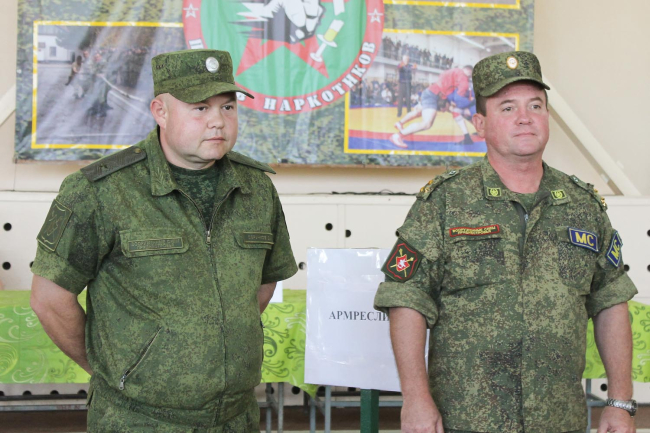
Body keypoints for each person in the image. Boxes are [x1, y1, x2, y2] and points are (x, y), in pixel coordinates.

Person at [30, 49, 298, 432]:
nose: (218, 121)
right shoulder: (100, 191)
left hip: (236, 417)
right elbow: (49, 299)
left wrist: (215, 334)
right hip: (137, 419)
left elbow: (264, 281)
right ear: (161, 111)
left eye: (227, 107)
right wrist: (115, 372)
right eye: (200, 108)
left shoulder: (255, 188)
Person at [375, 51, 637, 433]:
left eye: (535, 105)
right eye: (508, 107)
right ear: (480, 123)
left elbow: (610, 301)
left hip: (558, 420)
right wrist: (415, 398)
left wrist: (620, 402)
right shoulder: (445, 202)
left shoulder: (583, 206)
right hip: (464, 420)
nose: (525, 117)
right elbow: (406, 298)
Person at [391, 65, 474, 149]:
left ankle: (400, 123)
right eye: (470, 76)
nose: (469, 78)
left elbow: (445, 84)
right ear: (468, 71)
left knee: (418, 112)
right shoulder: (462, 75)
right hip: (433, 95)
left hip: (432, 92)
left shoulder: (453, 71)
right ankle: (397, 136)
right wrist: (469, 102)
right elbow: (460, 93)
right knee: (427, 123)